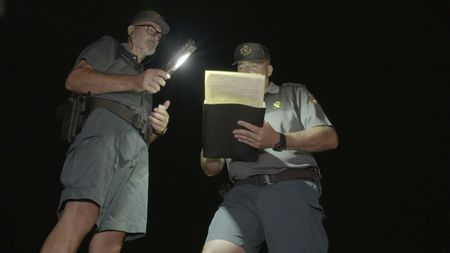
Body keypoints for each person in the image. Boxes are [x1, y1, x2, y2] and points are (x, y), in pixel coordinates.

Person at [40, 10, 172, 253]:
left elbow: (143, 138)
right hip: (101, 140)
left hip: (136, 159)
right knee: (81, 214)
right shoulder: (110, 47)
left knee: (112, 240)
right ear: (131, 30)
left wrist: (158, 129)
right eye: (149, 28)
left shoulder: (146, 80)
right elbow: (75, 80)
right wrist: (136, 81)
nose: (155, 36)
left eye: (160, 34)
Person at [200, 42, 339, 253]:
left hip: (289, 185)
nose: (246, 71)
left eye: (254, 65)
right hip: (240, 194)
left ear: (269, 69)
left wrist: (278, 139)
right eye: (241, 66)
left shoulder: (294, 93)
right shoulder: (226, 105)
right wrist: (212, 134)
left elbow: (330, 138)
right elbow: (211, 169)